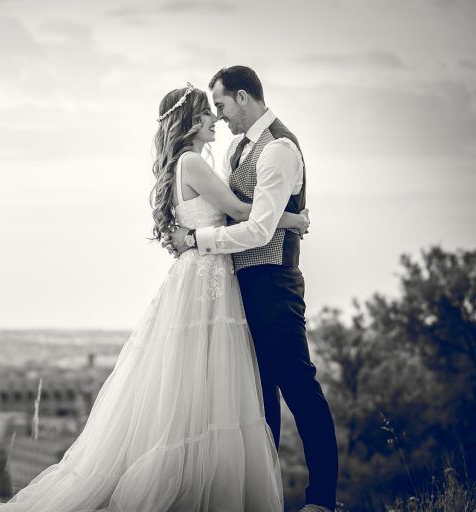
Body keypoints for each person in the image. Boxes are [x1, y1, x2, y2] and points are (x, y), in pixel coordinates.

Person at [0, 83, 311, 512]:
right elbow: (241, 210)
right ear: (191, 120)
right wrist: (293, 218)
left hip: (199, 275)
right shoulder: (192, 162)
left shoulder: (180, 164)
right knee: (209, 378)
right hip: (207, 278)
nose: (216, 119)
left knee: (199, 380)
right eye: (208, 113)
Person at [163, 66, 339, 512]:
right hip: (238, 286)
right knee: (258, 397)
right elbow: (238, 210)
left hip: (274, 281)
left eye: (221, 106)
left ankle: (321, 500)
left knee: (298, 384)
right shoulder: (237, 151)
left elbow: (258, 229)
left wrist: (199, 240)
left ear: (243, 97)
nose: (218, 118)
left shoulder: (278, 148)